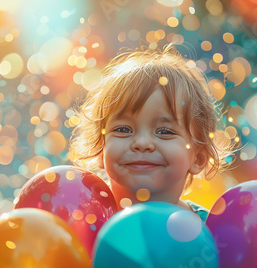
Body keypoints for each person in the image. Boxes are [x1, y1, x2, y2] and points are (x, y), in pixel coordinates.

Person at [69, 44, 232, 222]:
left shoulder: (209, 230)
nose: (142, 142)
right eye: (123, 129)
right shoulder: (82, 218)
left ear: (198, 158)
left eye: (164, 131)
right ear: (101, 148)